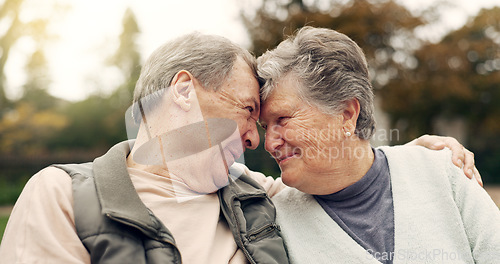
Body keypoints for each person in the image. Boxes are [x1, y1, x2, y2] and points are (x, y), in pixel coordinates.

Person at [0, 31, 480, 264]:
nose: (256, 140)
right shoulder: (63, 196)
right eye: (249, 110)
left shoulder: (252, 195)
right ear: (185, 92)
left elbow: (344, 170)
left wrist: (412, 159)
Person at [257, 26, 500, 264]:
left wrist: (414, 159)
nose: (269, 143)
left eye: (282, 119)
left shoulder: (445, 172)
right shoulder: (271, 222)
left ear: (346, 114)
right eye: (265, 127)